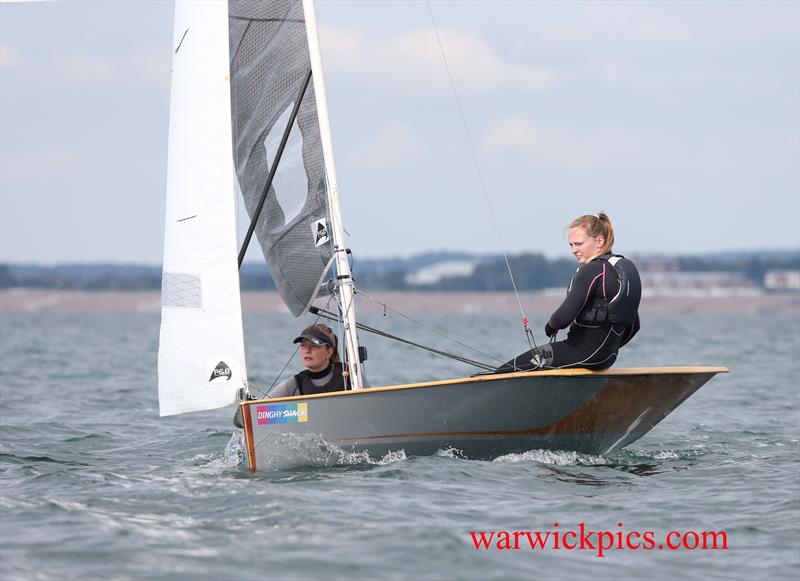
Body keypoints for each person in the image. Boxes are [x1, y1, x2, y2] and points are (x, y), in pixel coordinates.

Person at [496, 212, 640, 372]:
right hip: (607, 358)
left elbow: (561, 319)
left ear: (599, 241)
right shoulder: (620, 272)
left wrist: (550, 326)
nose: (574, 250)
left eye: (579, 244)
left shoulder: (593, 270)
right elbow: (634, 326)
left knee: (506, 370)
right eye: (571, 245)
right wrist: (607, 348)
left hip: (581, 353)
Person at [233, 323, 347, 427]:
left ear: (329, 352)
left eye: (314, 345)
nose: (307, 350)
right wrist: (249, 407)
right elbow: (242, 422)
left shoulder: (350, 377)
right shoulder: (294, 385)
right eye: (303, 345)